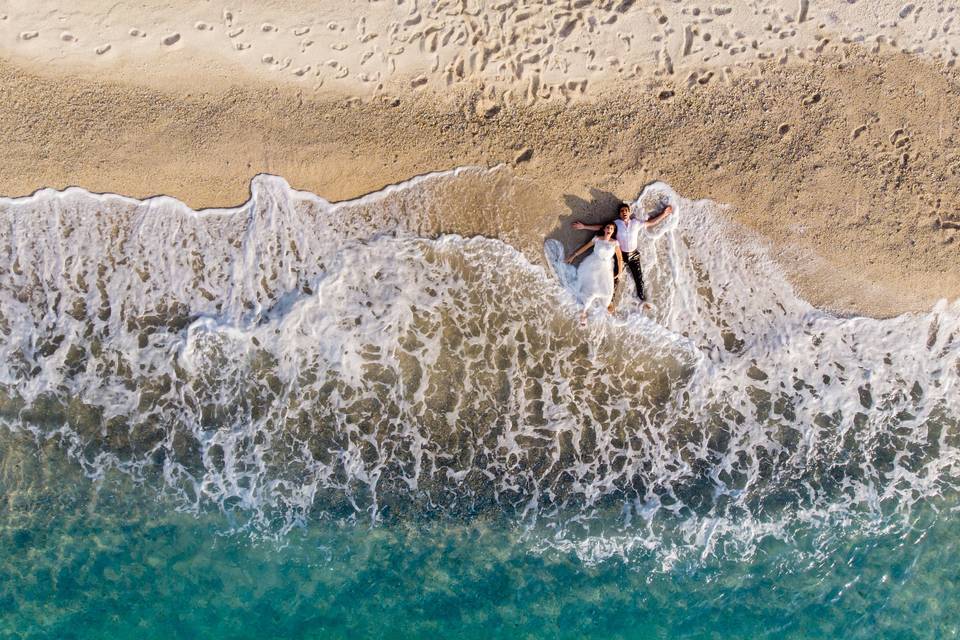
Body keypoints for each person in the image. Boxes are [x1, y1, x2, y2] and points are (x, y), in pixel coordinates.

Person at [572, 201, 675, 309]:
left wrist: (664, 214)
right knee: (616, 277)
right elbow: (601, 227)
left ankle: (643, 300)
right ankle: (609, 302)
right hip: (621, 255)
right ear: (619, 214)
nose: (624, 212)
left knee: (639, 278)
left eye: (626, 210)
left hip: (634, 255)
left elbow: (651, 222)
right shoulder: (616, 223)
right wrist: (584, 226)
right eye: (622, 211)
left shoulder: (636, 223)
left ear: (629, 212)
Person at [565, 222, 623, 324]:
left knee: (608, 294)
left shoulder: (615, 243)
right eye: (608, 227)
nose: (609, 229)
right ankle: (584, 312)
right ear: (604, 229)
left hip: (606, 269)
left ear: (613, 232)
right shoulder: (597, 239)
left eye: (611, 229)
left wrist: (620, 271)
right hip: (592, 265)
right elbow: (585, 247)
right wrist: (573, 256)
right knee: (591, 290)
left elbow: (619, 258)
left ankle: (606, 314)